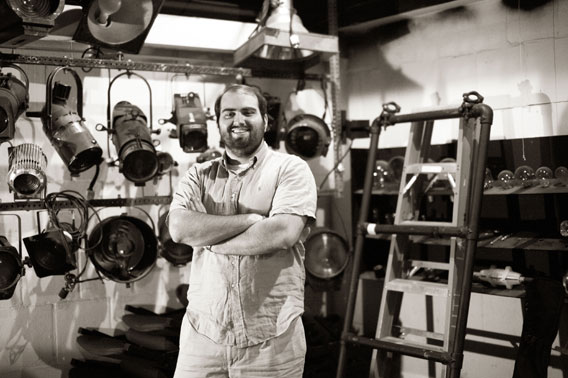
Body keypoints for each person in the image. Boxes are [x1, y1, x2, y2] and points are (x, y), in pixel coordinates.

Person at [168, 84, 317, 378]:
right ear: (219, 122)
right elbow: (179, 228)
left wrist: (210, 239)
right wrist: (249, 220)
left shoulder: (290, 169)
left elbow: (282, 233)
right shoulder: (199, 174)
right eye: (229, 113)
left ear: (265, 120)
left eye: (248, 112)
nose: (238, 120)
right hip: (203, 338)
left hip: (271, 340)